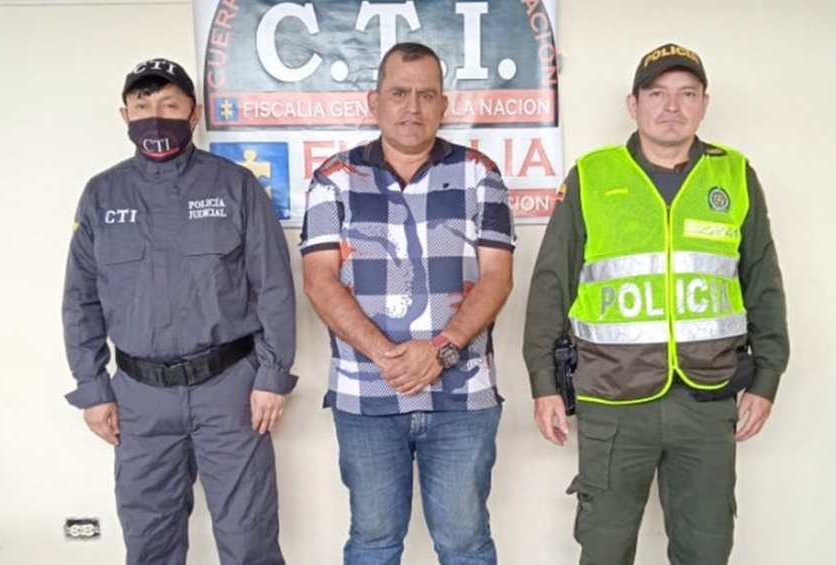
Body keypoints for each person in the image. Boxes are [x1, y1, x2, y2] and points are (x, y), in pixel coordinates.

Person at [523, 43, 789, 564]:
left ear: (704, 104)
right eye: (657, 93)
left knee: (706, 549)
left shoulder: (734, 176)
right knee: (604, 549)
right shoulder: (592, 176)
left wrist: (767, 378)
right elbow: (551, 284)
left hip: (707, 400)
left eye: (687, 94)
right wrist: (543, 384)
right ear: (634, 104)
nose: (672, 106)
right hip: (613, 401)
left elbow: (763, 282)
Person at [62, 57, 296, 565]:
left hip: (230, 392)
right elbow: (80, 298)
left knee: (250, 538)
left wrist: (272, 376)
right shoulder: (102, 195)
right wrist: (92, 388)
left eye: (170, 105)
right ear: (124, 115)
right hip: (139, 397)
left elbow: (274, 286)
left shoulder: (235, 186)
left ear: (194, 114)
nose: (155, 117)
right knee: (150, 541)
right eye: (142, 105)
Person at [300, 42, 515, 565]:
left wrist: (440, 350)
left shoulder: (480, 174)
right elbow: (319, 281)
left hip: (462, 398)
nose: (412, 107)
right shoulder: (334, 178)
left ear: (444, 105)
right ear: (374, 102)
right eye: (399, 93)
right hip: (366, 397)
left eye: (426, 95)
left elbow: (497, 278)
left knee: (466, 546)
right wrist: (386, 356)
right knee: (373, 544)